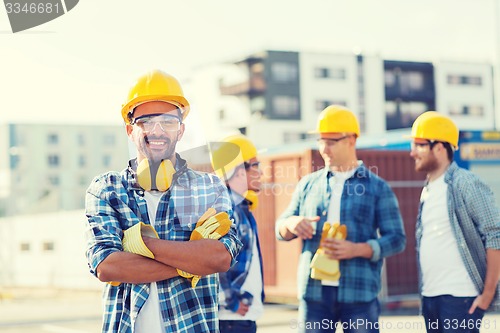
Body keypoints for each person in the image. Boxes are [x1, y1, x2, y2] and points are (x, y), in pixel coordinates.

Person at [84, 69, 242, 333]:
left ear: (181, 130)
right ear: (129, 129)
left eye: (168, 121)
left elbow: (220, 258)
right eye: (146, 121)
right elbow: (107, 266)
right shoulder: (106, 189)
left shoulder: (208, 186)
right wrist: (191, 261)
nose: (157, 130)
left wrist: (139, 243)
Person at [275, 105, 406, 333]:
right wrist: (291, 224)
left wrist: (358, 249)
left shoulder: (377, 187)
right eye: (320, 140)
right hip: (314, 293)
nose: (324, 149)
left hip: (359, 294)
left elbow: (397, 239)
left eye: (332, 141)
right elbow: (280, 227)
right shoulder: (308, 184)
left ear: (352, 140)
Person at [409, 111, 500, 333]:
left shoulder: (465, 183)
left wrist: (488, 294)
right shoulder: (429, 188)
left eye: (419, 145)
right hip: (431, 297)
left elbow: (495, 234)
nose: (412, 153)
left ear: (439, 147)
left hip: (460, 298)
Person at [210, 134, 265, 333]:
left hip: (237, 319)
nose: (261, 171)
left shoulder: (240, 207)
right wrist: (231, 301)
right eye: (256, 165)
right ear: (239, 170)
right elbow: (216, 261)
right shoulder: (228, 209)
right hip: (231, 320)